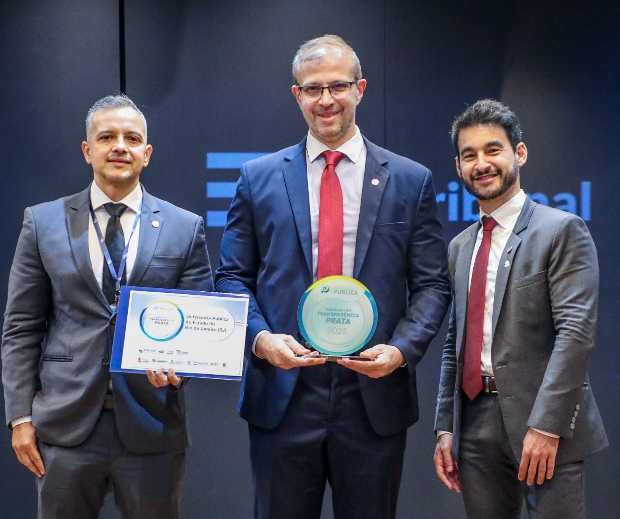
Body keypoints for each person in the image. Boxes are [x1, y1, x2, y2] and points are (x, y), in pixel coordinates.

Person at [216, 35, 450, 519]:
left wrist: (401, 350)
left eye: (338, 86)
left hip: (372, 396)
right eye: (313, 88)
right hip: (283, 392)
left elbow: (432, 284)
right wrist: (261, 341)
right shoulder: (257, 178)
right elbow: (232, 277)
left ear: (360, 89)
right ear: (296, 95)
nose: (326, 100)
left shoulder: (411, 180)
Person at [2, 94, 213, 519]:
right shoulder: (42, 222)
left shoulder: (184, 227)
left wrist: (181, 368)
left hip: (153, 423)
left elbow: (199, 323)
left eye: (132, 138)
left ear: (147, 154)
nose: (120, 146)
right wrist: (20, 416)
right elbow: (21, 327)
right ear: (87, 150)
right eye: (107, 137)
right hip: (65, 425)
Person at [433, 99, 608, 518]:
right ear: (458, 167)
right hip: (475, 422)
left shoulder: (561, 230)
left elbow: (575, 334)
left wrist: (547, 424)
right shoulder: (460, 247)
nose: (481, 164)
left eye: (493, 150)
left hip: (545, 421)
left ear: (520, 153)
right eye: (469, 155)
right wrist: (445, 426)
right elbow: (455, 341)